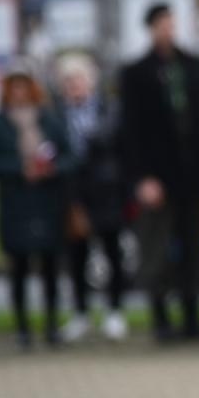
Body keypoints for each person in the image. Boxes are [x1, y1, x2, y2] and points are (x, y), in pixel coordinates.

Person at [119, 3, 199, 343]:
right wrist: (142, 178)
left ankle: (193, 318)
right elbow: (131, 131)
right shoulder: (136, 73)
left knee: (193, 249)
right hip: (157, 178)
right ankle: (161, 319)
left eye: (172, 23)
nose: (168, 30)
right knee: (156, 249)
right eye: (162, 24)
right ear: (150, 28)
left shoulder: (193, 67)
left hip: (193, 176)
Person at [0, 70, 76, 348]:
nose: (19, 93)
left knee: (50, 265)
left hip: (47, 201)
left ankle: (51, 324)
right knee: (19, 266)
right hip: (15, 202)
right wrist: (20, 168)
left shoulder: (50, 121)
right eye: (14, 88)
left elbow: (70, 155)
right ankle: (22, 327)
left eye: (24, 87)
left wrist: (51, 169)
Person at [55, 53, 129, 342]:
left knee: (112, 251)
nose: (74, 86)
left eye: (79, 80)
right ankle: (80, 312)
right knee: (76, 255)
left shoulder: (109, 110)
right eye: (68, 82)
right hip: (73, 193)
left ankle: (115, 311)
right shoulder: (57, 117)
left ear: (91, 82)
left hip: (106, 191)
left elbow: (115, 145)